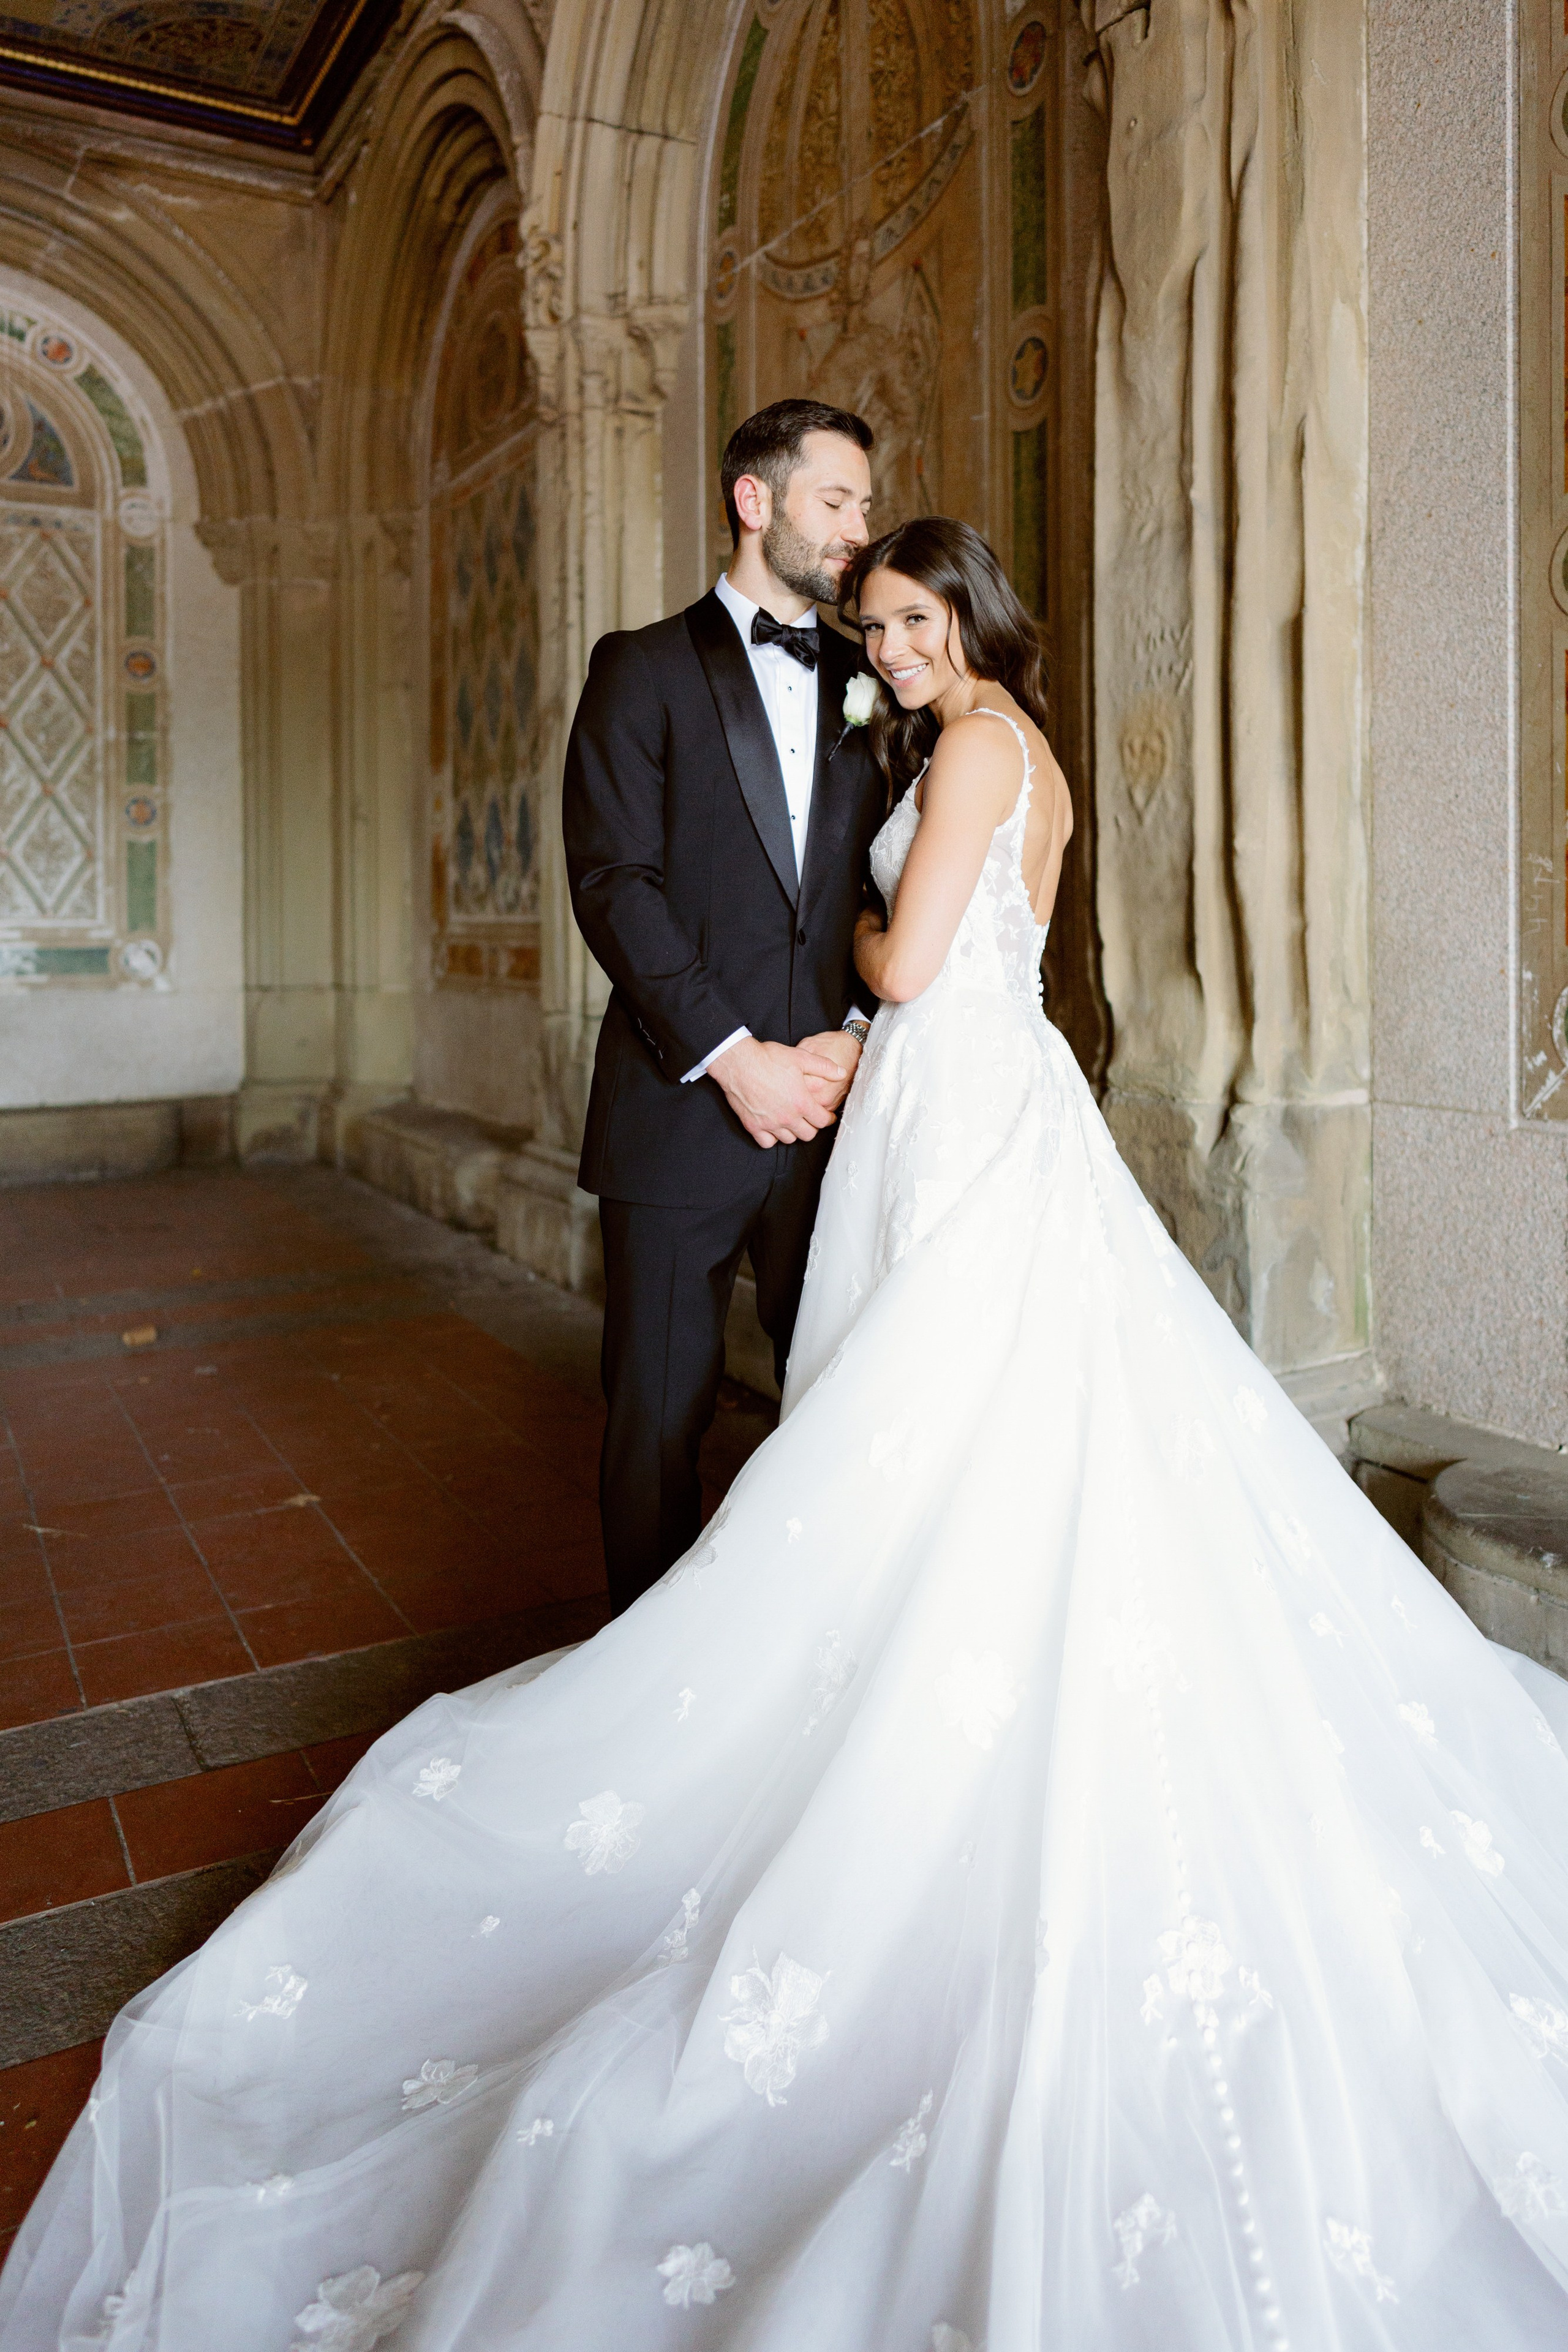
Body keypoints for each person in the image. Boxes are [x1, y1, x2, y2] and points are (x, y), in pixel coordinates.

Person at [7, 518, 1568, 2352]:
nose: (892, 650)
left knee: (952, 1408)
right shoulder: (993, 745)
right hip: (966, 1106)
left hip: (961, 1097)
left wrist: (838, 920)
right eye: (875, 626)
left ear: (972, 614)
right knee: (949, 1414)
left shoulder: (984, 741)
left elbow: (907, 970)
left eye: (914, 619)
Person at [562, 399, 886, 1615]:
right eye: (837, 500)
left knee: (841, 1406)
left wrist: (850, 1046)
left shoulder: (874, 679)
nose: (861, 526)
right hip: (680, 1109)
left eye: (863, 502)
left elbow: (888, 885)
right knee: (656, 1418)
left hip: (837, 1115)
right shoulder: (638, 669)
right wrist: (732, 1056)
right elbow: (612, 885)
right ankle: (642, 1680)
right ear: (754, 501)